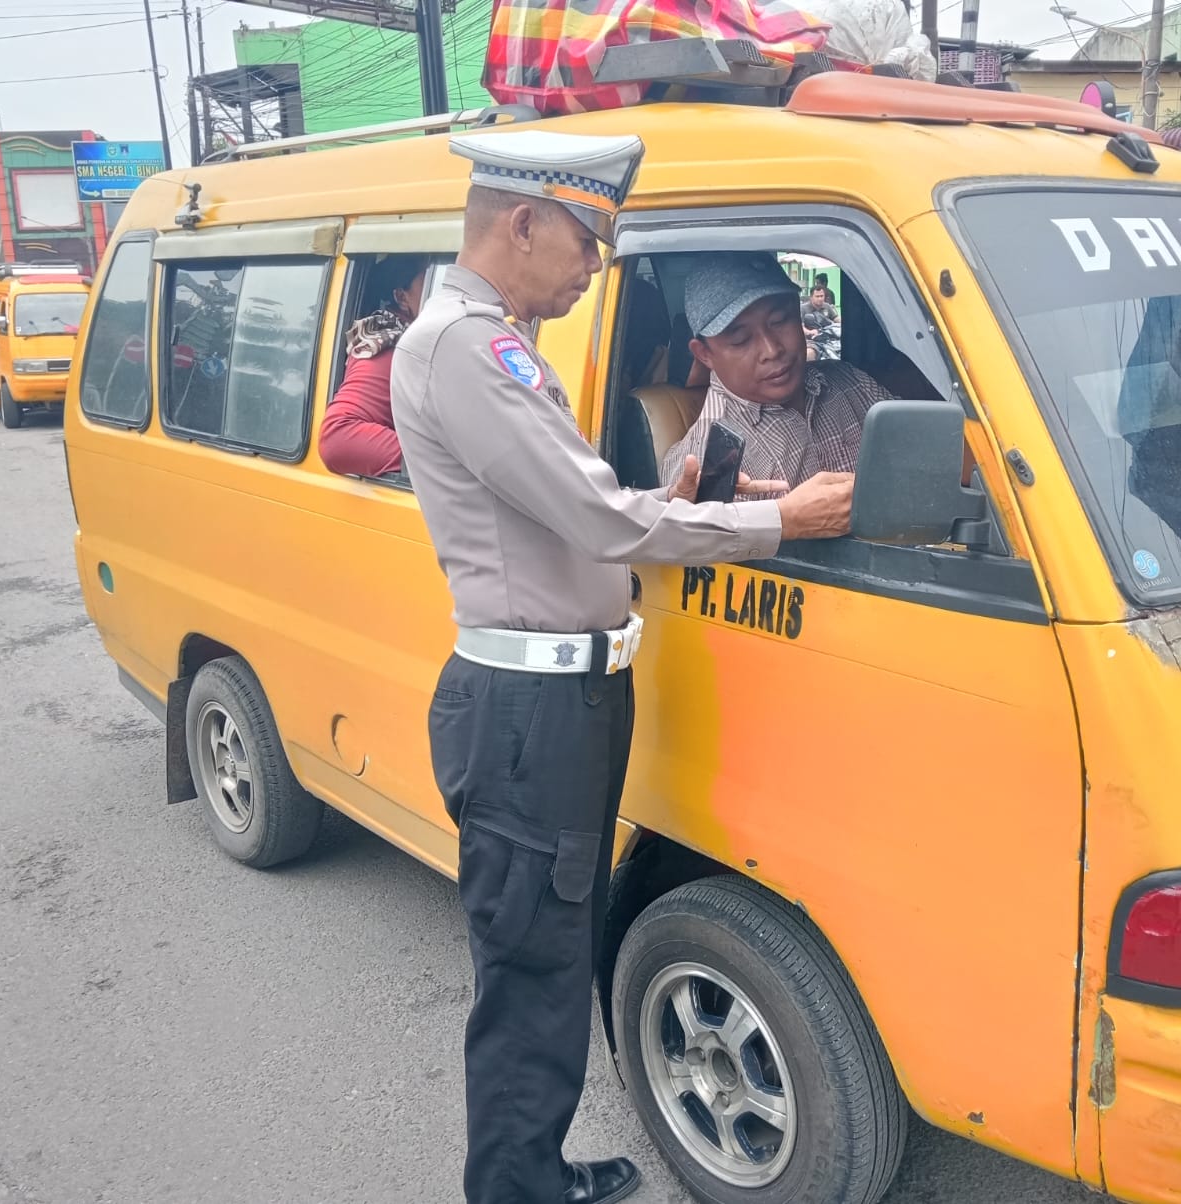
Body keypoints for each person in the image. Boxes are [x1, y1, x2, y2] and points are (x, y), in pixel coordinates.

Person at [390, 131, 854, 1204]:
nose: (595, 268)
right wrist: (773, 517)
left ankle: (530, 1171)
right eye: (589, 241)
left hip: (558, 695)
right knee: (533, 970)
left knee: (553, 951)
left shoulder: (483, 341)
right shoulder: (470, 350)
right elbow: (601, 520)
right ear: (523, 223)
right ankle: (514, 1189)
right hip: (529, 709)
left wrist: (690, 485)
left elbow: (574, 498)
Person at [662, 254, 894, 494]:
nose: (772, 350)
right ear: (704, 354)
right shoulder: (707, 455)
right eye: (741, 339)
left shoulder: (850, 381)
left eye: (780, 321)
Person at [318, 254, 430, 478]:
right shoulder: (388, 346)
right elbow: (338, 437)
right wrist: (441, 467)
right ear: (401, 297)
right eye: (429, 285)